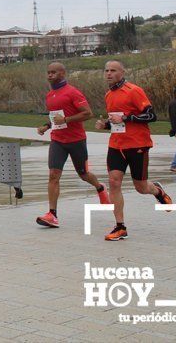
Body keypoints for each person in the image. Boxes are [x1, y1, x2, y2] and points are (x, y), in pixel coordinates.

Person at [94, 60, 173, 241]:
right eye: (106, 70)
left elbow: (151, 116)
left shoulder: (133, 91)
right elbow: (117, 122)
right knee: (114, 182)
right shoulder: (108, 95)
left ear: (122, 72)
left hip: (137, 144)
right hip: (116, 145)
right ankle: (120, 227)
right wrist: (105, 125)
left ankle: (157, 191)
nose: (108, 74)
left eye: (113, 70)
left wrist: (126, 117)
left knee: (141, 187)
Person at [35, 63, 110, 228]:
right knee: (53, 175)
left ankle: (100, 187)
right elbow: (56, 117)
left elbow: (87, 113)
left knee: (83, 174)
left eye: (53, 72)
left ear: (62, 73)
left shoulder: (73, 92)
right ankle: (52, 215)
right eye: (48, 73)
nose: (49, 75)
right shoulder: (49, 95)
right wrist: (46, 126)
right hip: (58, 140)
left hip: (76, 140)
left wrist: (67, 120)